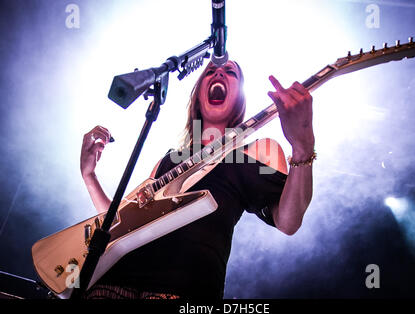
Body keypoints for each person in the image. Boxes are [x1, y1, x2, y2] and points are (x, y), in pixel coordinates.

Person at [79, 60, 315, 299]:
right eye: (210, 71)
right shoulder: (169, 160)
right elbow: (120, 222)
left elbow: (288, 221)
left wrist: (303, 147)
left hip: (185, 287)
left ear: (239, 98)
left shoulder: (260, 151)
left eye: (229, 72)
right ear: (198, 95)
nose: (219, 73)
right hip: (113, 283)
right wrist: (90, 175)